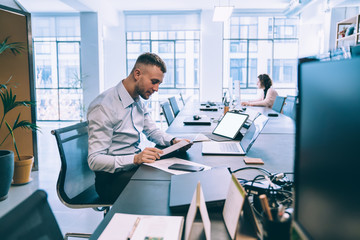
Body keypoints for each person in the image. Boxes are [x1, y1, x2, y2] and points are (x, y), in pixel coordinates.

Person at [87, 52, 191, 203]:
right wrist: (136, 158)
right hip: (111, 181)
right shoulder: (104, 106)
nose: (156, 89)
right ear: (137, 74)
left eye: (159, 84)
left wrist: (174, 141)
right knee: (166, 186)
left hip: (133, 167)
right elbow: (94, 160)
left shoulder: (137, 100)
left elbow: (152, 131)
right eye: (154, 82)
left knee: (180, 163)